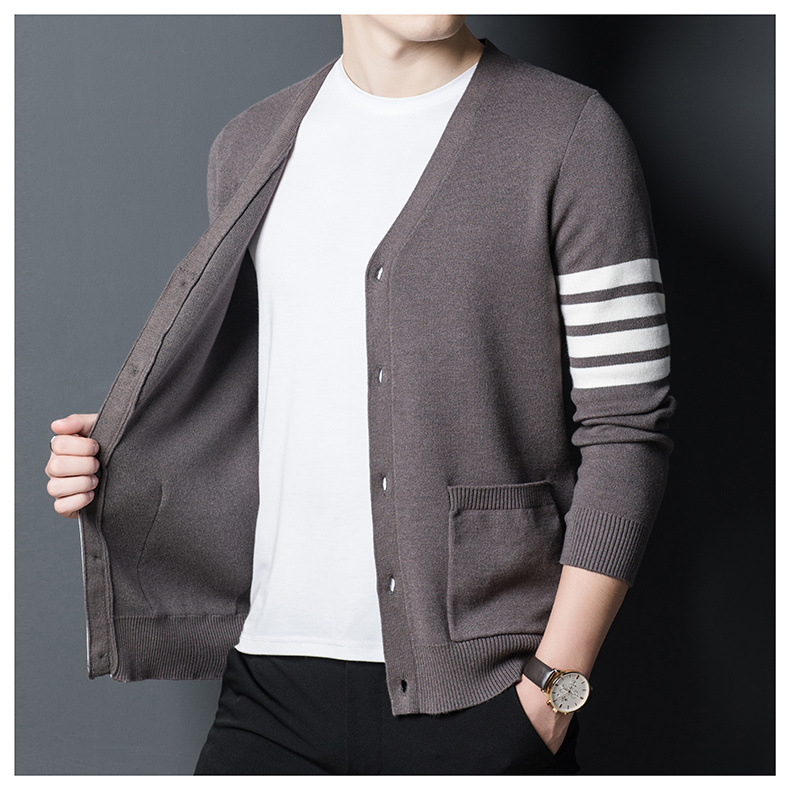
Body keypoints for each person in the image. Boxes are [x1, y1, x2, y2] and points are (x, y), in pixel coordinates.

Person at [44, 15, 675, 775]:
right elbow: (275, 396)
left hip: (481, 688)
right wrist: (128, 452)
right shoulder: (250, 146)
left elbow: (627, 429)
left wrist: (551, 691)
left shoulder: (569, 134)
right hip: (269, 682)